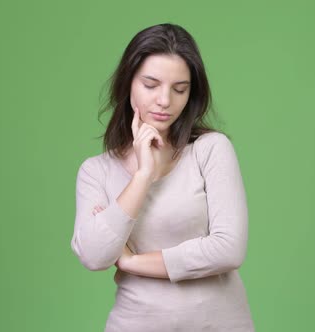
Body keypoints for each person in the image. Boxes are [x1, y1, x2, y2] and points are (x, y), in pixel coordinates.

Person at [71, 23, 255, 331]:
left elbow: (229, 249)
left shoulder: (210, 150)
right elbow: (94, 255)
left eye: (179, 89)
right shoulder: (96, 171)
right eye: (151, 84)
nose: (165, 101)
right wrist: (143, 176)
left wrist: (132, 262)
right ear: (128, 82)